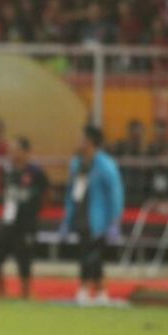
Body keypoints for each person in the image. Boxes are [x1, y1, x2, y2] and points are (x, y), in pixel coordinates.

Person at [60, 125, 125, 306]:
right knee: (88, 254)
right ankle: (101, 291)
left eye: (83, 139)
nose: (80, 143)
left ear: (90, 142)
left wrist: (114, 220)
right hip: (81, 214)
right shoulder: (77, 163)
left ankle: (85, 289)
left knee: (91, 255)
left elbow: (115, 193)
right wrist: (67, 217)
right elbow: (72, 191)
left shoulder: (105, 165)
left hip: (99, 219)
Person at [0, 138, 49, 299]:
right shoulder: (9, 171)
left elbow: (46, 193)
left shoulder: (35, 172)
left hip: (26, 224)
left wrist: (33, 207)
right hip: (8, 222)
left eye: (15, 149)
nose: (11, 153)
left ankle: (26, 295)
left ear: (25, 152)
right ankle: (1, 294)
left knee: (24, 261)